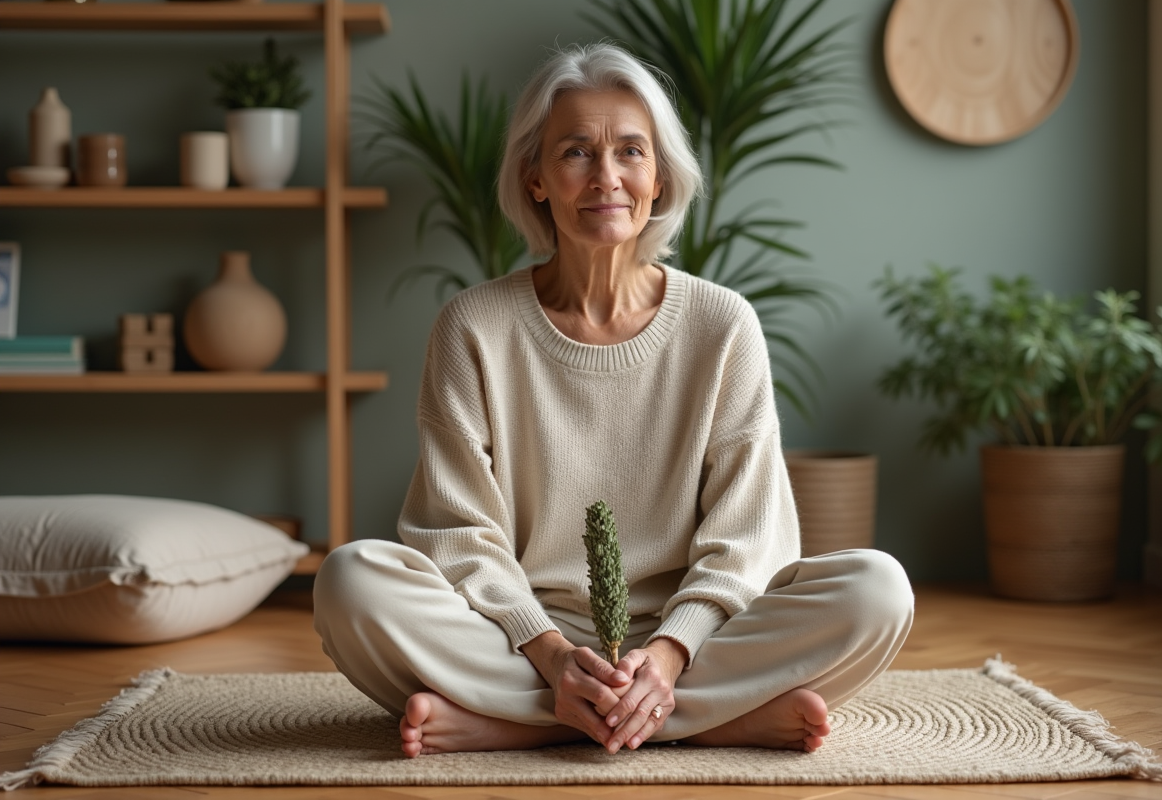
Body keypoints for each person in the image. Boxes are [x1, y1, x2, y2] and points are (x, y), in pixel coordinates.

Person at [313, 42, 913, 759]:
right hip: (518, 633)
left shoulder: (723, 324)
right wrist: (553, 653)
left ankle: (512, 726)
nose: (607, 177)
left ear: (659, 178)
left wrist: (665, 656)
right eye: (575, 152)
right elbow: (458, 532)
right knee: (350, 583)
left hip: (694, 635)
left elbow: (748, 538)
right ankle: (710, 723)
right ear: (534, 177)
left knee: (878, 590)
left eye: (632, 151)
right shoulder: (473, 327)